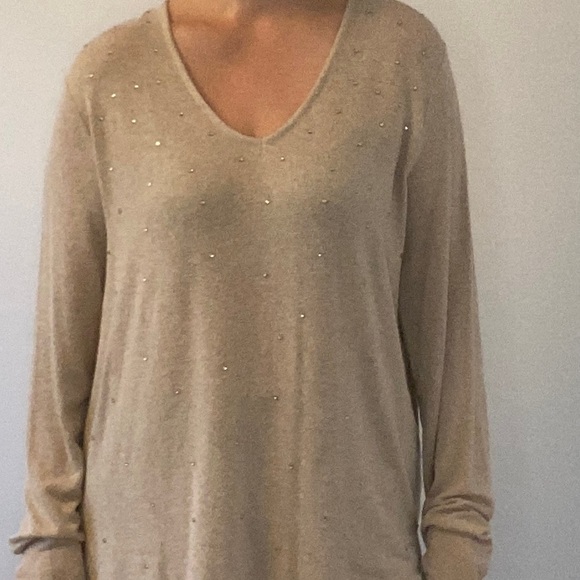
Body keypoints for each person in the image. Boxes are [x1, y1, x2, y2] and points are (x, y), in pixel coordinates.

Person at [8, 0, 495, 578]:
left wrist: (459, 542)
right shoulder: (108, 76)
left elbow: (447, 326)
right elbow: (62, 342)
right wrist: (50, 545)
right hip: (151, 547)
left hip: (348, 543)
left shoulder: (402, 57)